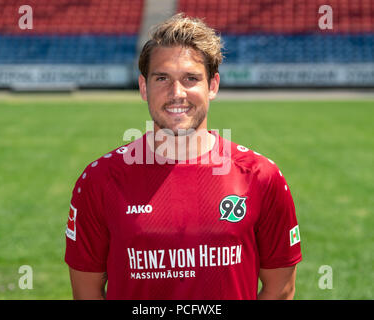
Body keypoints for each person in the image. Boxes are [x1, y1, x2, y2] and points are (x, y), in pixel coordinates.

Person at [64, 13, 302, 300]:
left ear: (212, 86)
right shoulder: (100, 179)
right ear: (143, 87)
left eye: (190, 79)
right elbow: (86, 292)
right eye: (162, 78)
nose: (177, 93)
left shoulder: (261, 177)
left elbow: (281, 289)